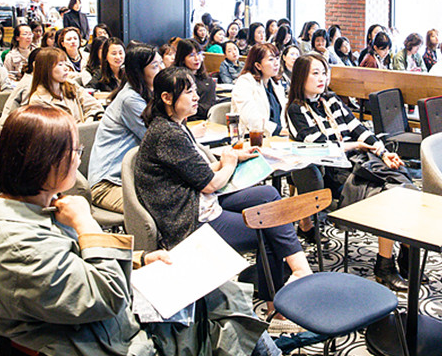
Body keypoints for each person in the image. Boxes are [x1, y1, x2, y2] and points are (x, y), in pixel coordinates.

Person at [0, 104, 273, 356]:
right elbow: (108, 295)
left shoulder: (33, 207)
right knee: (226, 311)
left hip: (99, 323)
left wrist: (140, 259)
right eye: (74, 151)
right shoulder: (18, 244)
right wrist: (85, 222)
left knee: (220, 291)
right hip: (102, 339)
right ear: (42, 161)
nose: (79, 158)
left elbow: (77, 265)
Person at [136, 67, 312, 325]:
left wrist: (232, 158)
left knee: (269, 193)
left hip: (197, 200)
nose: (197, 97)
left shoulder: (175, 126)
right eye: (189, 92)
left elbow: (196, 171)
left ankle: (298, 273)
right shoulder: (168, 133)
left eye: (195, 90)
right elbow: (209, 184)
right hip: (188, 218)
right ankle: (279, 304)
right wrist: (228, 163)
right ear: (166, 98)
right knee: (269, 227)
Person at [283, 53, 412, 291]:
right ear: (301, 77)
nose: (322, 78)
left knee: (404, 183)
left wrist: (384, 153)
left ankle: (405, 252)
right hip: (334, 173)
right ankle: (385, 265)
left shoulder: (331, 100)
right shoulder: (295, 110)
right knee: (390, 195)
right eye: (315, 73)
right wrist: (357, 145)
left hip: (357, 164)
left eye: (324, 72)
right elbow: (321, 147)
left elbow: (359, 129)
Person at [88, 44, 164, 213]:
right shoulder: (130, 99)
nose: (162, 69)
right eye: (155, 66)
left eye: (161, 63)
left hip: (133, 179)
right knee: (166, 208)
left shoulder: (149, 93)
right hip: (109, 184)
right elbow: (158, 140)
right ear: (139, 72)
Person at [28, 48, 103, 124]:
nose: (66, 68)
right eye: (60, 65)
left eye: (65, 64)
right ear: (46, 69)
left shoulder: (71, 86)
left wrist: (88, 122)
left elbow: (94, 106)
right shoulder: (38, 100)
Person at [231, 43, 286, 137]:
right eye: (271, 59)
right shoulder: (245, 81)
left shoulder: (275, 83)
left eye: (277, 58)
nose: (276, 63)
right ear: (258, 65)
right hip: (253, 137)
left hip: (278, 138)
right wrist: (279, 131)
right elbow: (251, 118)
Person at [173, 39, 216, 121]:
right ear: (182, 58)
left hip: (204, 121)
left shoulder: (208, 80)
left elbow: (211, 106)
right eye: (191, 55)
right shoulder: (175, 78)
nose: (197, 58)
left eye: (199, 54)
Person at [0, 48, 41, 125]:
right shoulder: (29, 84)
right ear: (35, 64)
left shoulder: (35, 80)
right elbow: (26, 116)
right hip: (13, 125)